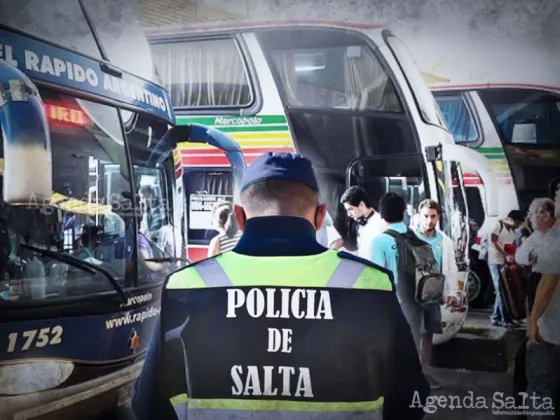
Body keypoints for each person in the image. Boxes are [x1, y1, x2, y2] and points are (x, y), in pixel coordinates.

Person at [131, 152, 429, 420]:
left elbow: (148, 405)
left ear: (239, 216)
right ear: (320, 215)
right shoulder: (371, 286)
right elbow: (411, 398)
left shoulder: (186, 287)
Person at [370, 193, 444, 390]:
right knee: (416, 342)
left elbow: (376, 278)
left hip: (397, 303)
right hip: (421, 300)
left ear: (381, 214)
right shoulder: (416, 237)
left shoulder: (380, 241)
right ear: (404, 213)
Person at [517, 198, 560, 418]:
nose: (530, 217)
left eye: (534, 213)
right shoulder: (537, 237)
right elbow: (521, 256)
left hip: (549, 327)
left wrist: (533, 320)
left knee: (540, 388)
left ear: (547, 214)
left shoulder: (555, 239)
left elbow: (549, 281)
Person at [413, 199, 462, 389]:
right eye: (426, 216)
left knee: (427, 336)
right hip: (411, 296)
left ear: (438, 217)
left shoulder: (444, 241)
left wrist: (451, 292)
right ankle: (408, 373)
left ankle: (424, 373)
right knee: (409, 334)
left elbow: (450, 268)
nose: (429, 220)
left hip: (431, 297)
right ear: (419, 216)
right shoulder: (409, 238)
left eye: (433, 216)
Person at [488, 210, 525, 328]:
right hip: (495, 261)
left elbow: (512, 246)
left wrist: (513, 257)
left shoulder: (512, 230)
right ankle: (505, 319)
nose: (518, 226)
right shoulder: (498, 225)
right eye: (517, 223)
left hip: (504, 263)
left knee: (504, 290)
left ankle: (496, 317)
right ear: (511, 219)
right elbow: (493, 241)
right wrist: (505, 255)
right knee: (501, 291)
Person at [340, 185, 386, 260]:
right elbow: (363, 254)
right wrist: (348, 253)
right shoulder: (360, 225)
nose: (349, 214)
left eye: (351, 209)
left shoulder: (381, 224)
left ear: (361, 205)